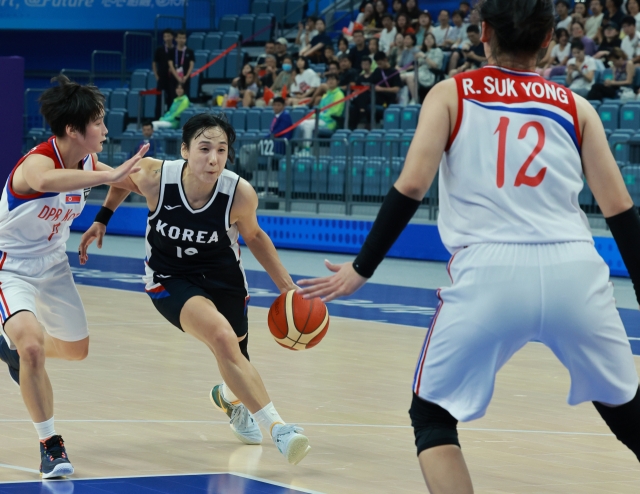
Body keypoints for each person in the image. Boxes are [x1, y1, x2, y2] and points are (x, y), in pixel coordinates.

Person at [297, 1, 640, 491]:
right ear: (548, 40)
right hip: (575, 271)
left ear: (483, 33)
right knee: (626, 409)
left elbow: (412, 185)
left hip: (490, 272)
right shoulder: (575, 106)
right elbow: (620, 209)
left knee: (432, 415)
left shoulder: (451, 94)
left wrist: (362, 267)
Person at [79, 113, 311, 466]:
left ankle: (231, 399)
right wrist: (102, 218)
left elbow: (255, 236)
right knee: (221, 336)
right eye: (204, 149)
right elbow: (122, 181)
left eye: (221, 149)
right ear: (185, 150)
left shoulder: (239, 193)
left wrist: (287, 287)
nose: (213, 158)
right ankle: (280, 428)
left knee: (237, 356)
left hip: (224, 278)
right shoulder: (156, 176)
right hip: (169, 277)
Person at [0, 75, 145, 479]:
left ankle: (8, 348)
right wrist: (107, 176)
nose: (104, 129)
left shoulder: (89, 162)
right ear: (72, 130)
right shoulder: (37, 163)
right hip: (8, 266)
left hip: (53, 264)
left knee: (76, 349)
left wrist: (102, 218)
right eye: (98, 122)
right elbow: (48, 183)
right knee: (32, 348)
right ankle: (50, 444)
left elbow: (127, 182)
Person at [298, 73, 345, 144]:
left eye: (333, 79)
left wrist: (317, 117)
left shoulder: (339, 94)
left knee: (307, 125)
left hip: (330, 122)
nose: (330, 81)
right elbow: (319, 109)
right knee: (302, 124)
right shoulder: (325, 95)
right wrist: (312, 116)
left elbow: (334, 112)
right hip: (320, 119)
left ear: (338, 82)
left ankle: (306, 149)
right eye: (329, 80)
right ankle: (300, 148)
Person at [405, 32, 443, 103]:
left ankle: (415, 100)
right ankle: (403, 100)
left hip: (430, 74)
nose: (428, 40)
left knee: (409, 77)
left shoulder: (437, 51)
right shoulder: (423, 51)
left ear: (434, 40)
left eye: (430, 38)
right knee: (400, 77)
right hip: (420, 71)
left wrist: (424, 56)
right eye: (426, 38)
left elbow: (435, 66)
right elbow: (417, 66)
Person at [153, 28, 175, 118]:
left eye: (168, 36)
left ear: (172, 37)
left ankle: (170, 118)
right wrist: (156, 76)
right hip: (162, 78)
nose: (167, 38)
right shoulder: (159, 49)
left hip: (173, 79)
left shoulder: (176, 50)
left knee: (171, 99)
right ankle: (157, 118)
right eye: (165, 36)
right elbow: (154, 63)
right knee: (159, 100)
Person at [168, 30, 195, 98]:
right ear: (176, 39)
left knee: (185, 98)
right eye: (180, 38)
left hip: (185, 79)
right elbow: (171, 65)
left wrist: (186, 77)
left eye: (183, 38)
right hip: (174, 79)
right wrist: (177, 77)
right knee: (173, 99)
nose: (181, 40)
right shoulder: (171, 51)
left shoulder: (190, 51)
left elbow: (191, 65)